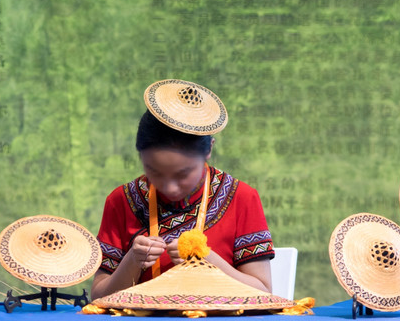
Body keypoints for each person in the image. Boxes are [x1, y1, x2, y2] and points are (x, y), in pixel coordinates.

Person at [91, 80, 275, 300]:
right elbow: (98, 297)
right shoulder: (121, 200)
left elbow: (263, 294)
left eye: (183, 174)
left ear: (209, 150)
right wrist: (132, 261)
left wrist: (208, 261)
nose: (169, 187)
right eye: (154, 171)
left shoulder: (241, 198)